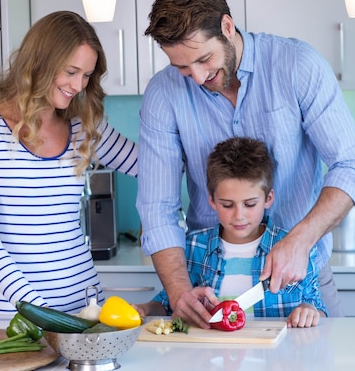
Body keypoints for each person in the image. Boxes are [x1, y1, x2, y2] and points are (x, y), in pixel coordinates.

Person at [136, 0, 355, 328]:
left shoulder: (297, 66)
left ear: (227, 27)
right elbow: (157, 208)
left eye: (204, 59)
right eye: (183, 68)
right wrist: (179, 292)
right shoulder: (163, 94)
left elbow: (352, 167)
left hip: (300, 277)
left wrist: (299, 241)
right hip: (208, 283)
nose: (198, 77)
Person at [0, 11, 138, 326]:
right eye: (71, 71)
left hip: (87, 311)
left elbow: (151, 166)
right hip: (19, 320)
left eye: (86, 75)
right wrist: (43, 314)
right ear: (40, 62)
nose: (78, 85)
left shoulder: (83, 126)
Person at [135, 137, 327, 328]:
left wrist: (308, 311)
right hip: (210, 355)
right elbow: (169, 303)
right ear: (212, 201)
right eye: (227, 205)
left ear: (268, 198)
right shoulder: (193, 247)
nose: (239, 215)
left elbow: (316, 306)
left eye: (250, 204)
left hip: (276, 355)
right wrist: (146, 309)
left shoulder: (294, 249)